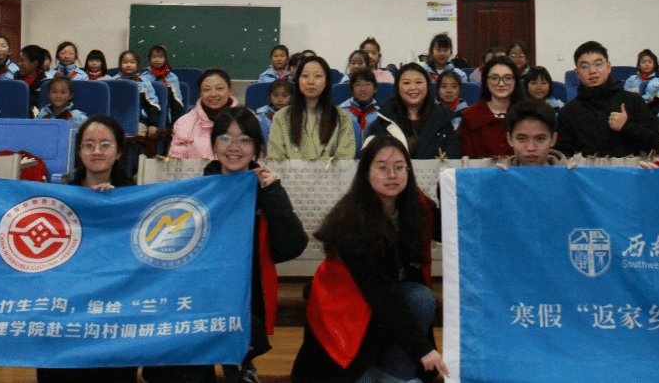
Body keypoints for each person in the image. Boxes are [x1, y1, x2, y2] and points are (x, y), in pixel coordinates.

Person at [147, 108, 308, 383]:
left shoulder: (266, 190)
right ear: (213, 145)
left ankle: (242, 366)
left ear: (256, 148)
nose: (234, 147)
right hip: (199, 304)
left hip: (245, 304)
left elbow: (290, 248)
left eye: (244, 140)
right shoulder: (198, 192)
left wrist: (274, 195)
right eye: (224, 138)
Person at [291, 132, 447, 383]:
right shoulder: (350, 221)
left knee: (420, 298)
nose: (392, 175)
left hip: (382, 312)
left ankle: (396, 373)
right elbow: (383, 296)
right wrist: (424, 351)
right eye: (382, 168)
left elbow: (454, 227)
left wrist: (456, 186)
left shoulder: (416, 204)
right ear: (366, 172)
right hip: (344, 318)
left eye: (399, 167)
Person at [40, 116, 136, 383]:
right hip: (67, 315)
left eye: (105, 144)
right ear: (79, 151)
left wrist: (114, 205)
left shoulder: (136, 197)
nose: (96, 151)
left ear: (119, 152)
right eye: (88, 144)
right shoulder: (60, 199)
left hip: (115, 316)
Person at [556, 42, 659, 158]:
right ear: (577, 73)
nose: (592, 71)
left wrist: (627, 126)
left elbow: (656, 142)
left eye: (598, 64)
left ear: (609, 67)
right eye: (585, 66)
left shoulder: (631, 100)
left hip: (628, 168)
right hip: (585, 169)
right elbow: (562, 155)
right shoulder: (568, 112)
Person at [365, 63, 461, 160]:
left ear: (428, 85)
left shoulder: (443, 117)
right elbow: (369, 157)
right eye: (406, 83)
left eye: (418, 82)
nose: (413, 88)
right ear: (397, 87)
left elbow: (454, 157)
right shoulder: (384, 117)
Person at [268, 56, 356, 160]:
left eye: (317, 76)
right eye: (305, 76)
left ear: (326, 81)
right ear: (298, 80)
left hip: (330, 172)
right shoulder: (281, 117)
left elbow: (345, 160)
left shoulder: (342, 117)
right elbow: (275, 160)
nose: (310, 81)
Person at [458, 56, 523, 159]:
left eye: (507, 78)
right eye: (494, 78)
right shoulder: (470, 116)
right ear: (486, 81)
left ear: (515, 81)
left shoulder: (527, 114)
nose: (501, 84)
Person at [168, 67, 238, 160]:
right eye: (207, 90)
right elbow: (176, 162)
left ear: (229, 91)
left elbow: (252, 160)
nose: (213, 94)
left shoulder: (246, 119)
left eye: (219, 89)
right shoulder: (183, 123)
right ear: (200, 93)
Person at [502, 100, 566, 166]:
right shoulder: (499, 170)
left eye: (540, 139)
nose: (531, 148)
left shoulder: (569, 170)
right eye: (521, 139)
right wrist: (498, 172)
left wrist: (571, 172)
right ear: (510, 139)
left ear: (553, 139)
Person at [114, 50, 160, 137]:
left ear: (137, 65)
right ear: (120, 64)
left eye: (132, 62)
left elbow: (154, 105)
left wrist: (153, 124)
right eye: (125, 62)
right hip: (117, 119)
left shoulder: (144, 83)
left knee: (135, 136)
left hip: (139, 120)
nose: (128, 65)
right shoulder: (113, 81)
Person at [339, 69, 382, 152]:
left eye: (367, 84)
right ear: (352, 89)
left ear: (375, 88)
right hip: (346, 157)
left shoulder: (381, 114)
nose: (363, 89)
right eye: (358, 85)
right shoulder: (341, 111)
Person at [144, 44, 186, 127]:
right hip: (149, 113)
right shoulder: (144, 77)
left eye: (160, 57)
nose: (157, 60)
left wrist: (176, 124)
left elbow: (177, 101)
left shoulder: (172, 77)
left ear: (165, 59)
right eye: (154, 57)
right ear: (150, 59)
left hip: (167, 114)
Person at [254, 78, 293, 143]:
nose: (280, 99)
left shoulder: (296, 115)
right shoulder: (261, 115)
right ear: (270, 96)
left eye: (285, 96)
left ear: (291, 97)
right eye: (275, 95)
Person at [17, 44, 50, 111]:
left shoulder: (46, 83)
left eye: (22, 60)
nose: (19, 63)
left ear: (34, 64)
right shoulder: (14, 79)